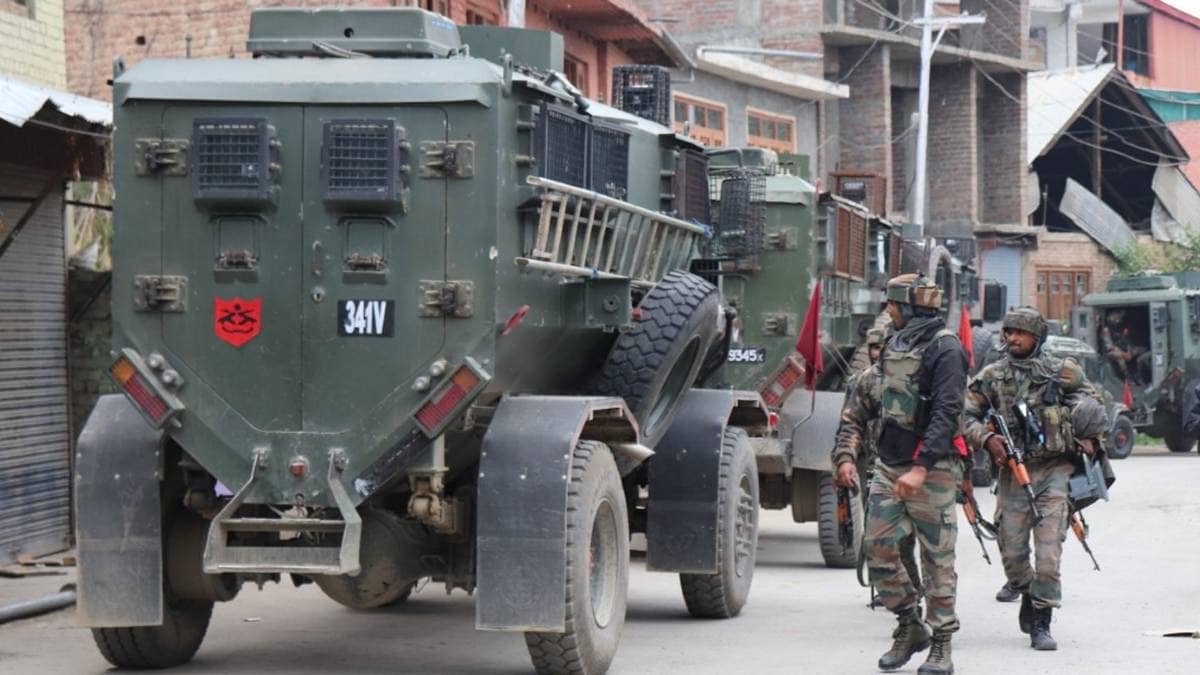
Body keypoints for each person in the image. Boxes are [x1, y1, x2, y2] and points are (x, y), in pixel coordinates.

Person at [833, 274, 968, 675]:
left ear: (910, 306)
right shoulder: (895, 343)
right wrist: (844, 456)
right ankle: (910, 625)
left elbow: (947, 413)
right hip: (890, 466)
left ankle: (941, 644)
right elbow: (862, 405)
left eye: (891, 304)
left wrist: (923, 467)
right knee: (876, 548)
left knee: (937, 560)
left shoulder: (946, 349)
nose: (886, 310)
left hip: (934, 470)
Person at [964, 306, 1104, 651]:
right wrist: (986, 438)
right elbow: (965, 414)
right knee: (1011, 551)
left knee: (1048, 553)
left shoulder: (1062, 371)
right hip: (1013, 473)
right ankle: (1026, 591)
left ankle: (1042, 620)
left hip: (1054, 471)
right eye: (1008, 332)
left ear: (1036, 338)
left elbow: (1095, 405)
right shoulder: (993, 375)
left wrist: (1084, 432)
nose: (1012, 338)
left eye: (1020, 333)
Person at [834, 327, 923, 605]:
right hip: (871, 464)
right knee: (877, 535)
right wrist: (844, 458)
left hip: (904, 466)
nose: (876, 352)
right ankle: (892, 589)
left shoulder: (911, 378)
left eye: (881, 347)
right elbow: (849, 423)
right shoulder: (862, 381)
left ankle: (910, 590)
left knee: (902, 538)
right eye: (872, 347)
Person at [1099, 309, 1150, 384]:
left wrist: (1132, 350)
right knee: (1121, 358)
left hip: (1123, 350)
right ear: (1110, 315)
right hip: (1109, 353)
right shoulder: (1106, 330)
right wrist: (1123, 353)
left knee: (1139, 353)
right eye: (1116, 317)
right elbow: (1109, 347)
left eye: (1119, 318)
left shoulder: (1121, 327)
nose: (1118, 320)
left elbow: (1127, 341)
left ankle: (1139, 379)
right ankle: (1127, 379)